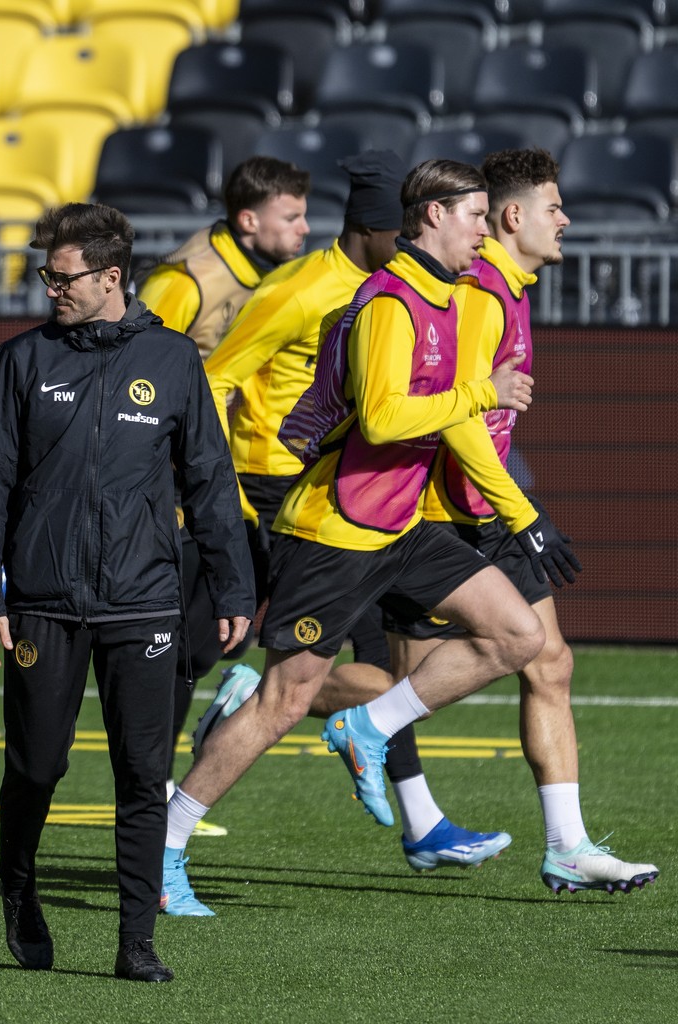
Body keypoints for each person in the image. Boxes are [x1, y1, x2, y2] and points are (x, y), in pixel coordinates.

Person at [159, 159, 549, 913]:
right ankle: (165, 844)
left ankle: (369, 725)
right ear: (432, 216)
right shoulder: (389, 302)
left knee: (517, 635)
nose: (485, 229)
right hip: (335, 528)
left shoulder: (449, 298)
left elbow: (454, 419)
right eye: (474, 215)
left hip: (399, 523)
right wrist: (483, 391)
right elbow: (383, 418)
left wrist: (518, 512)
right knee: (280, 699)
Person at [0, 203, 254, 982]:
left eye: (64, 277)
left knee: (140, 772)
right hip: (42, 604)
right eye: (46, 275)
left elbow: (211, 483)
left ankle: (136, 943)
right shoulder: (20, 360)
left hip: (146, 601)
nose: (50, 288)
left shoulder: (172, 359)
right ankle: (19, 892)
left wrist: (233, 587)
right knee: (36, 768)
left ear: (112, 276)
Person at [389, 148, 657, 893]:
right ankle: (260, 702)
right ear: (515, 216)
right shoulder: (479, 291)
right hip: (448, 514)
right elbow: (460, 416)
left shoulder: (511, 287)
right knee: (389, 686)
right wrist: (524, 511)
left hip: (487, 510)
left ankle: (567, 846)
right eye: (553, 206)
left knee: (550, 662)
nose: (565, 219)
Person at [136, 155, 311, 358]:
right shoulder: (185, 281)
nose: (305, 229)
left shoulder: (284, 272)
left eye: (304, 216)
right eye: (291, 218)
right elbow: (143, 368)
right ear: (249, 221)